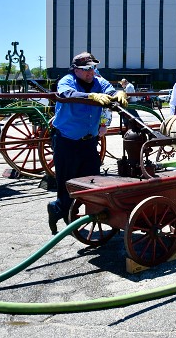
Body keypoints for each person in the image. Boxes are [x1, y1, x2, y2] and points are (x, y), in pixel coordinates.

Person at [46, 52, 128, 234]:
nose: (90, 72)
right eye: (86, 69)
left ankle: (93, 214)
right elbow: (66, 93)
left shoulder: (98, 81)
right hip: (67, 141)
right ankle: (57, 209)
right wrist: (90, 97)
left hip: (89, 141)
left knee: (93, 180)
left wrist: (118, 93)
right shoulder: (67, 81)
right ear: (75, 70)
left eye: (92, 68)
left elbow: (109, 90)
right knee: (68, 184)